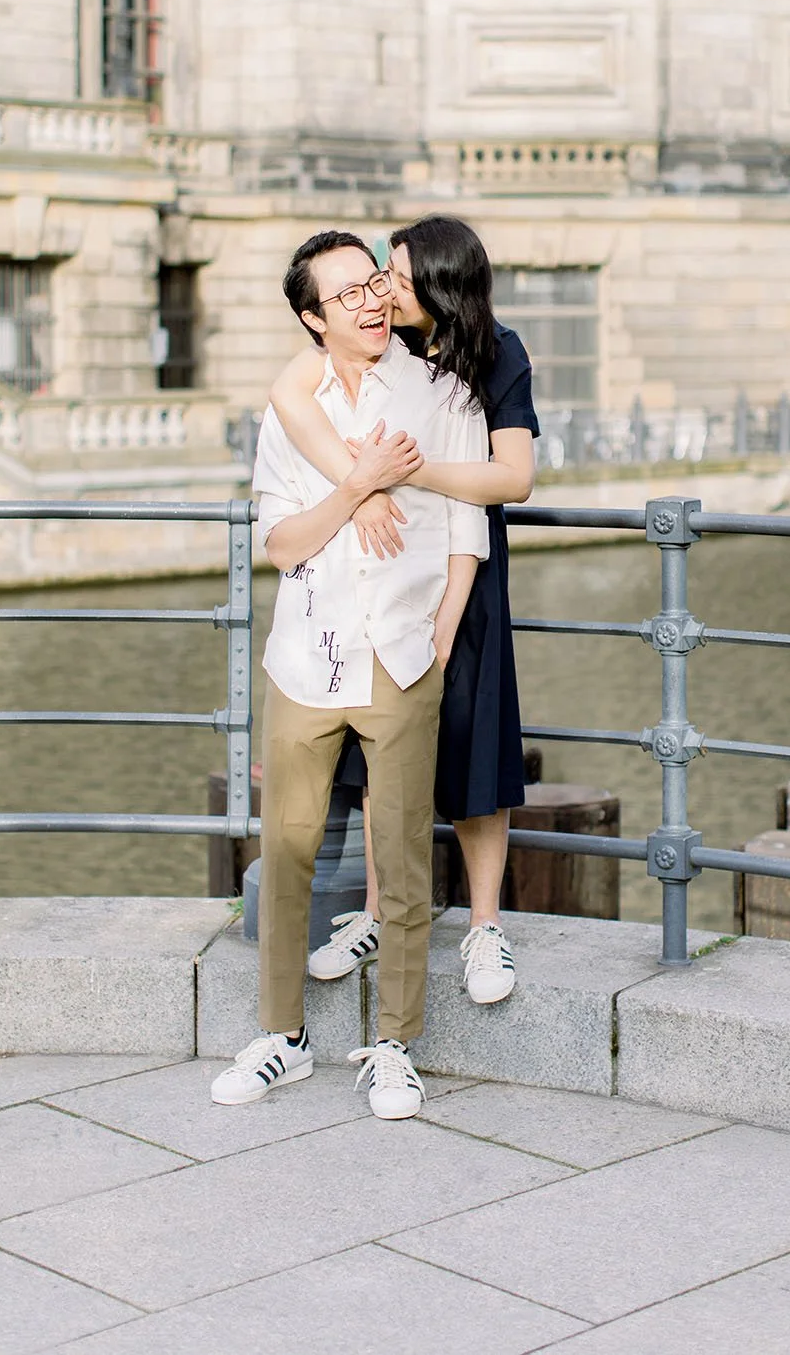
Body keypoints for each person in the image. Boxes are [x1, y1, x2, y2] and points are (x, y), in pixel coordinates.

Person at [210, 229, 489, 1120]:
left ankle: (396, 1045)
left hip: (404, 655)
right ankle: (281, 1038)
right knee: (288, 852)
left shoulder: (442, 389)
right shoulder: (294, 408)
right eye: (346, 295)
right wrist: (357, 487)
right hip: (306, 658)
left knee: (404, 859)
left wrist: (440, 641)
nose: (371, 301)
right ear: (311, 319)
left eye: (374, 282)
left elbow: (466, 529)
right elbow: (282, 544)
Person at [269, 213, 539, 1006]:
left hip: (465, 573)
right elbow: (289, 392)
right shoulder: (375, 338)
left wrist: (407, 476)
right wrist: (361, 487)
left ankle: (485, 922)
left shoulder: (496, 352)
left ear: (439, 291)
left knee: (472, 749)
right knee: (383, 756)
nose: (381, 290)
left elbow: (512, 477)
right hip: (379, 579)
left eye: (397, 278)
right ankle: (381, 911)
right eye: (377, 275)